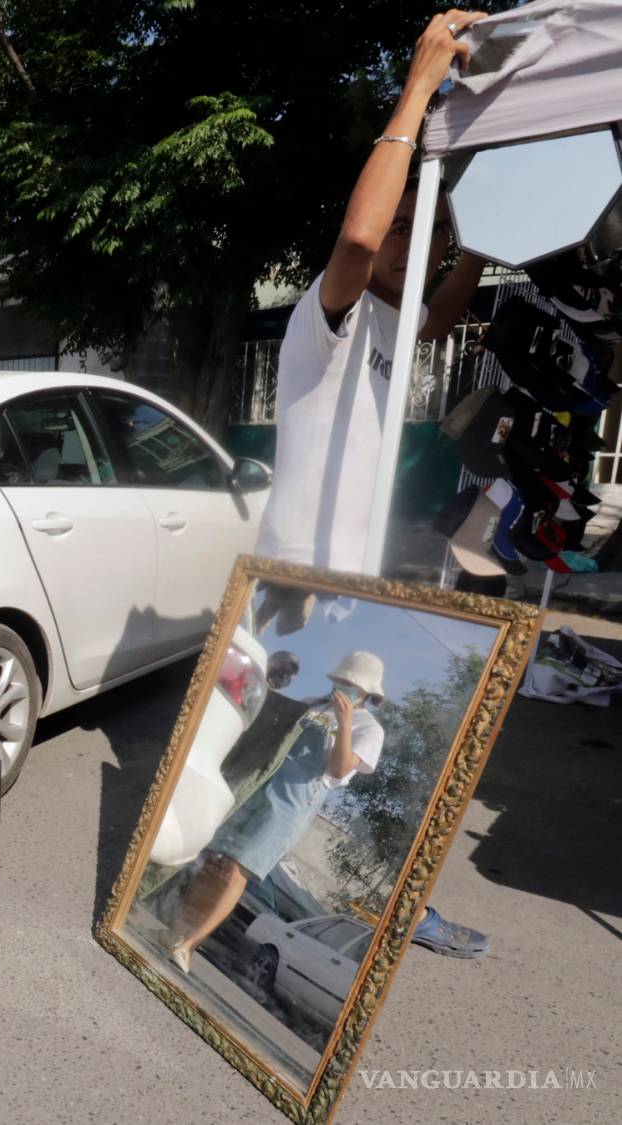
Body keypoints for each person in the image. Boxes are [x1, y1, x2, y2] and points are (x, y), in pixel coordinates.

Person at [250, 9, 491, 961]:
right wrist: (417, 91)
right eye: (400, 227)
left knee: (337, 765)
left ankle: (377, 897)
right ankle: (223, 879)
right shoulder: (330, 312)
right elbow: (355, 243)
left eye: (416, 233)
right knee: (272, 758)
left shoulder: (398, 328)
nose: (404, 242)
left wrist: (482, 231)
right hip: (291, 590)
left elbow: (442, 312)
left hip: (348, 593)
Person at [162, 653, 388, 972]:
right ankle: (174, 932)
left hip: (293, 802)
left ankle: (190, 943)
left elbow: (338, 771)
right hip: (260, 782)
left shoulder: (370, 729)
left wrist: (346, 721)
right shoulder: (311, 703)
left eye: (351, 684)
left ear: (367, 691)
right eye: (341, 680)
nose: (343, 687)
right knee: (214, 861)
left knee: (238, 869)